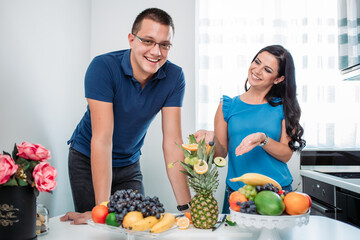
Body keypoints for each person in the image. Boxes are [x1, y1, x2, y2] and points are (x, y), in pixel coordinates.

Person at [60, 8, 191, 224]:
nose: (156, 52)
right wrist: (101, 210)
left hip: (129, 164)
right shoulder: (103, 67)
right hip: (87, 158)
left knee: (134, 226)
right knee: (97, 227)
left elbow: (173, 143)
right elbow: (102, 139)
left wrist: (187, 207)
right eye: (148, 41)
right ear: (132, 40)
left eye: (164, 45)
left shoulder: (175, 77)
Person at [194, 45, 306, 214]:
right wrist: (211, 138)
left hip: (278, 193)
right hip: (239, 194)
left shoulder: (284, 108)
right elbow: (220, 154)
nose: (257, 70)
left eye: (267, 69)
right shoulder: (227, 106)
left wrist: (263, 139)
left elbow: (285, 155)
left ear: (278, 79)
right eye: (257, 62)